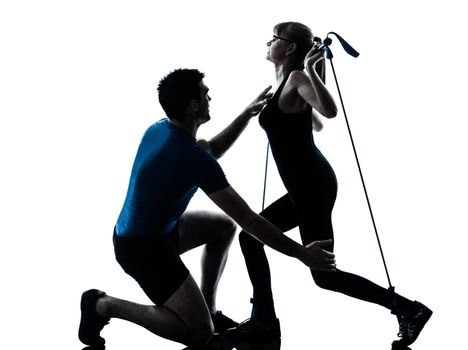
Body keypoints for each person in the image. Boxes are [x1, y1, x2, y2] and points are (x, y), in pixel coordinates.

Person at [78, 68, 337, 349]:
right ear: (193, 105)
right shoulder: (189, 157)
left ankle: (209, 311)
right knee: (199, 335)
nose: (209, 96)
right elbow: (250, 220)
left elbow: (210, 148)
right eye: (205, 93)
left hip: (157, 231)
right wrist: (301, 253)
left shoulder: (161, 129)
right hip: (141, 249)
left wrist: (246, 114)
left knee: (223, 227)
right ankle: (103, 305)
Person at [224, 22, 432, 348]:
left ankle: (410, 310)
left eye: (274, 37)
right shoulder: (283, 82)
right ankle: (263, 319)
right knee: (250, 238)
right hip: (302, 189)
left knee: (323, 275)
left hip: (313, 187)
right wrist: (266, 110)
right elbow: (314, 121)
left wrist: (311, 69)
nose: (268, 41)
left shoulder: (297, 77)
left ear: (289, 47)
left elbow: (329, 112)